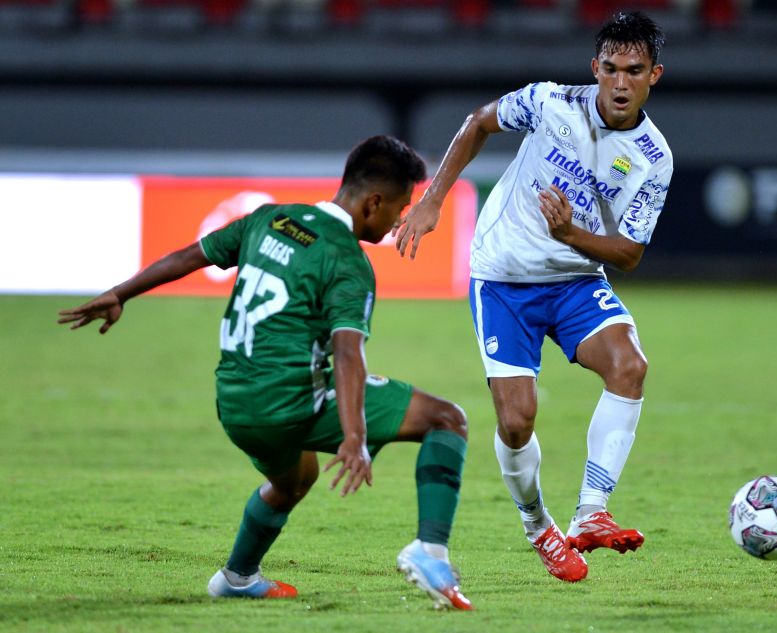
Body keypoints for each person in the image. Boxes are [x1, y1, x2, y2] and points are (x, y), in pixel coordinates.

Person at [58, 136, 473, 610]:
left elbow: (190, 256)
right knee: (446, 419)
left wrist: (121, 293)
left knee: (295, 478)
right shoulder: (347, 260)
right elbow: (348, 354)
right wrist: (355, 436)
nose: (401, 218)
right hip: (286, 403)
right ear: (373, 202)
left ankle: (236, 576)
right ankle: (430, 551)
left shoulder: (269, 219)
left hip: (234, 403)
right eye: (401, 206)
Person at [394, 12, 673, 582]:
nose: (621, 83)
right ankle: (538, 527)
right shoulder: (548, 102)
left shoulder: (654, 158)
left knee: (629, 366)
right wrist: (433, 199)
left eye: (635, 71)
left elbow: (628, 254)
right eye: (612, 69)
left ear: (654, 76)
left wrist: (572, 236)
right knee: (517, 420)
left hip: (575, 280)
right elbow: (478, 123)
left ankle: (591, 513)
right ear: (595, 68)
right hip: (503, 277)